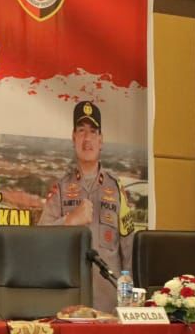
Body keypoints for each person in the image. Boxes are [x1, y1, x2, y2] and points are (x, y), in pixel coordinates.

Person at [38, 99, 132, 311]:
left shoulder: (117, 189)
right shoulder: (60, 189)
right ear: (73, 138)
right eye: (81, 131)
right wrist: (69, 220)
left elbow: (129, 250)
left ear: (101, 140)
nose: (87, 138)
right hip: (69, 303)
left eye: (93, 131)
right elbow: (40, 239)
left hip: (109, 304)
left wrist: (130, 302)